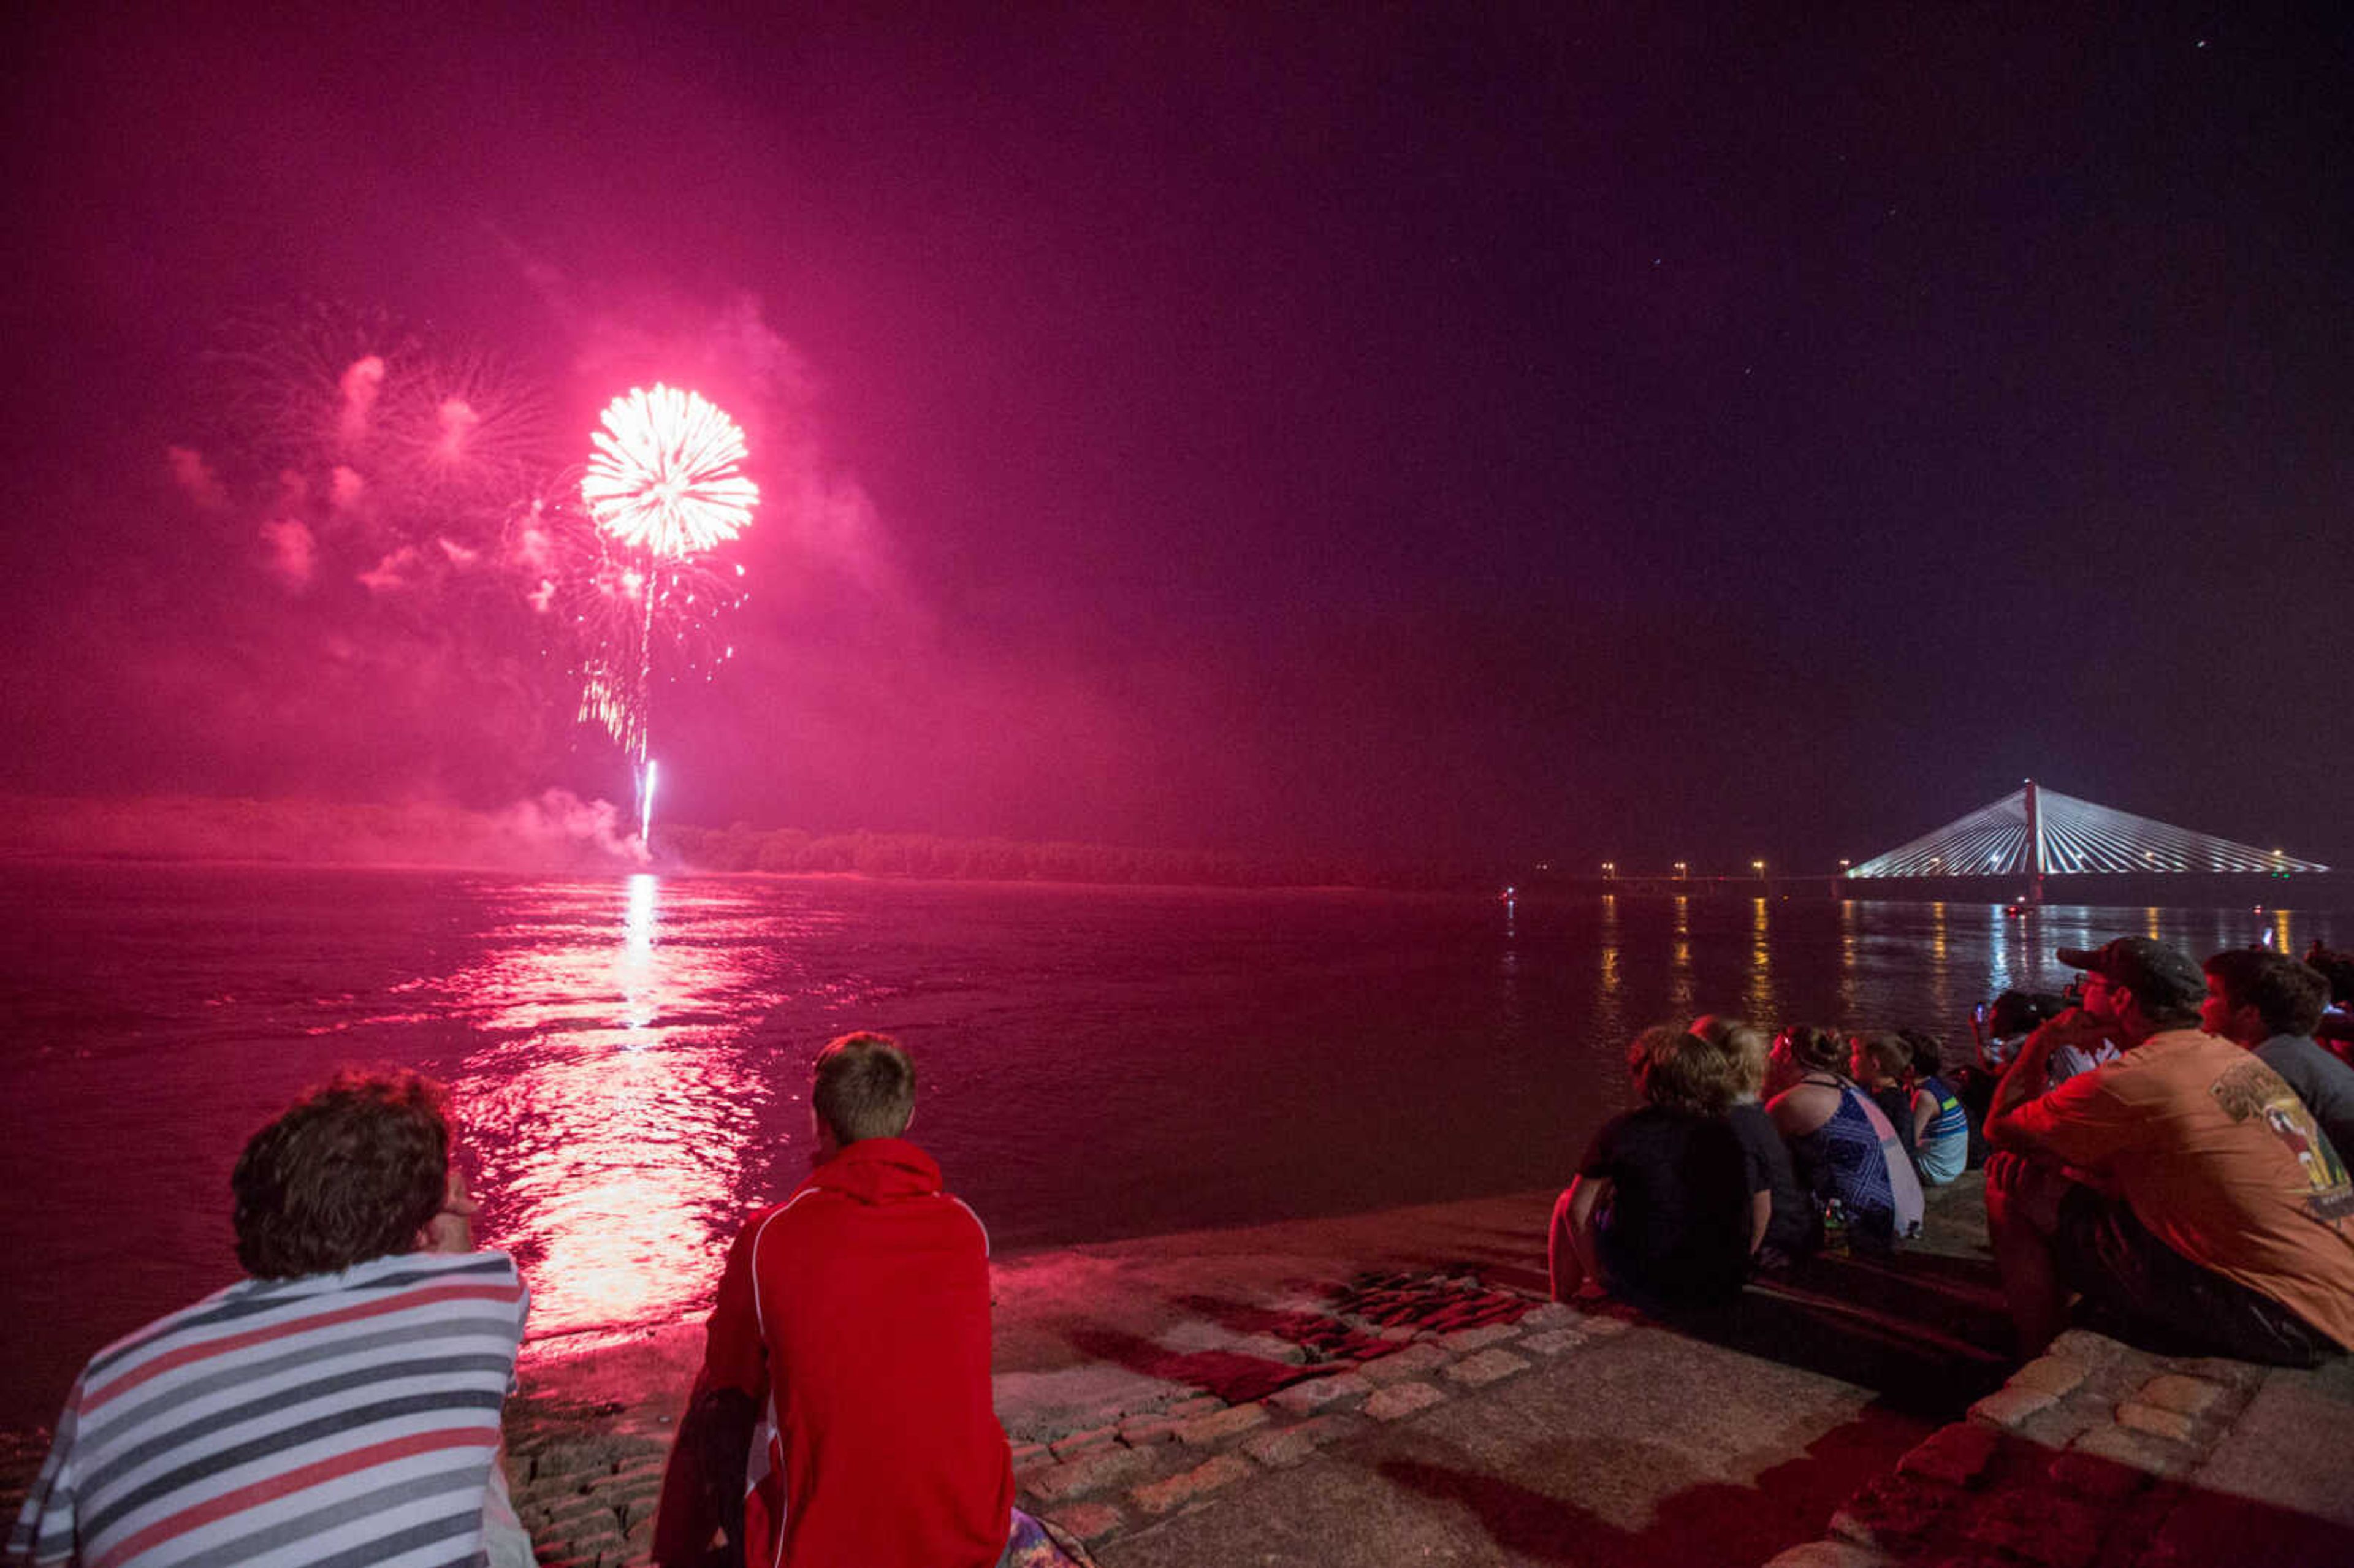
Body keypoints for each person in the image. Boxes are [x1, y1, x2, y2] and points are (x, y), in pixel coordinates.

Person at [9, 1070, 530, 1568]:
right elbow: (477, 1398)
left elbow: (46, 1556)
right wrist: (448, 1246)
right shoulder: (482, 1292)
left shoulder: (110, 1378)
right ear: (426, 1223)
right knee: (482, 1483)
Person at [653, 1032, 1066, 1568]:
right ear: (910, 1116)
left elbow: (731, 1377)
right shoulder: (965, 1230)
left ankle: (675, 1556)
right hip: (971, 1534)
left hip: (822, 1550)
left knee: (716, 1392)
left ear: (818, 1119)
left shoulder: (768, 1238)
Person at [1984, 937, 2354, 1364]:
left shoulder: (2136, 1079)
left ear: (2122, 999)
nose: (2079, 992)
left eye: (2091, 984)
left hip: (2281, 1315)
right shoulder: (2228, 1056)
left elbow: (2002, 1128)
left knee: (2009, 1178)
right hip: (2335, 1288)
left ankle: (2035, 1353)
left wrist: (2041, 1044)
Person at [1550, 1025, 1759, 1311]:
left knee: (1566, 1201)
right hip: (1721, 1282)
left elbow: (1578, 1210)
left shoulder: (1624, 1130)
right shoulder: (1732, 1131)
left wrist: (1599, 1275)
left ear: (1648, 1078)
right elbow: (1761, 1204)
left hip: (1648, 1285)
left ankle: (1562, 1301)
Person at [1767, 1024, 1924, 1249]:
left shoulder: (1793, 1102)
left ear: (1788, 1055)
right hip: (1901, 1213)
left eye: (1773, 1049)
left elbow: (1756, 1158)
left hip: (1865, 1229)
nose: (1769, 1056)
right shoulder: (1846, 1086)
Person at [2203, 947, 2354, 1163]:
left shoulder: (2270, 1068)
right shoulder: (2299, 1054)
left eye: (2212, 994)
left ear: (2250, 1014)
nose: (2201, 1005)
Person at [1693, 1014, 1815, 1264]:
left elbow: (1756, 1205)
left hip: (1773, 1244)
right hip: (1791, 1229)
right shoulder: (1750, 1110)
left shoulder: (1731, 1124)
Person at [1900, 1030, 1970, 1186]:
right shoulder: (1934, 1086)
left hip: (1937, 1171)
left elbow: (1909, 1141)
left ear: (1910, 1070)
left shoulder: (1924, 1097)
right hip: (1952, 1165)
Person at [1848, 1033, 1920, 1159]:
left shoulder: (1891, 1106)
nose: (1851, 1059)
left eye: (1857, 1054)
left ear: (1875, 1064)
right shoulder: (1873, 1090)